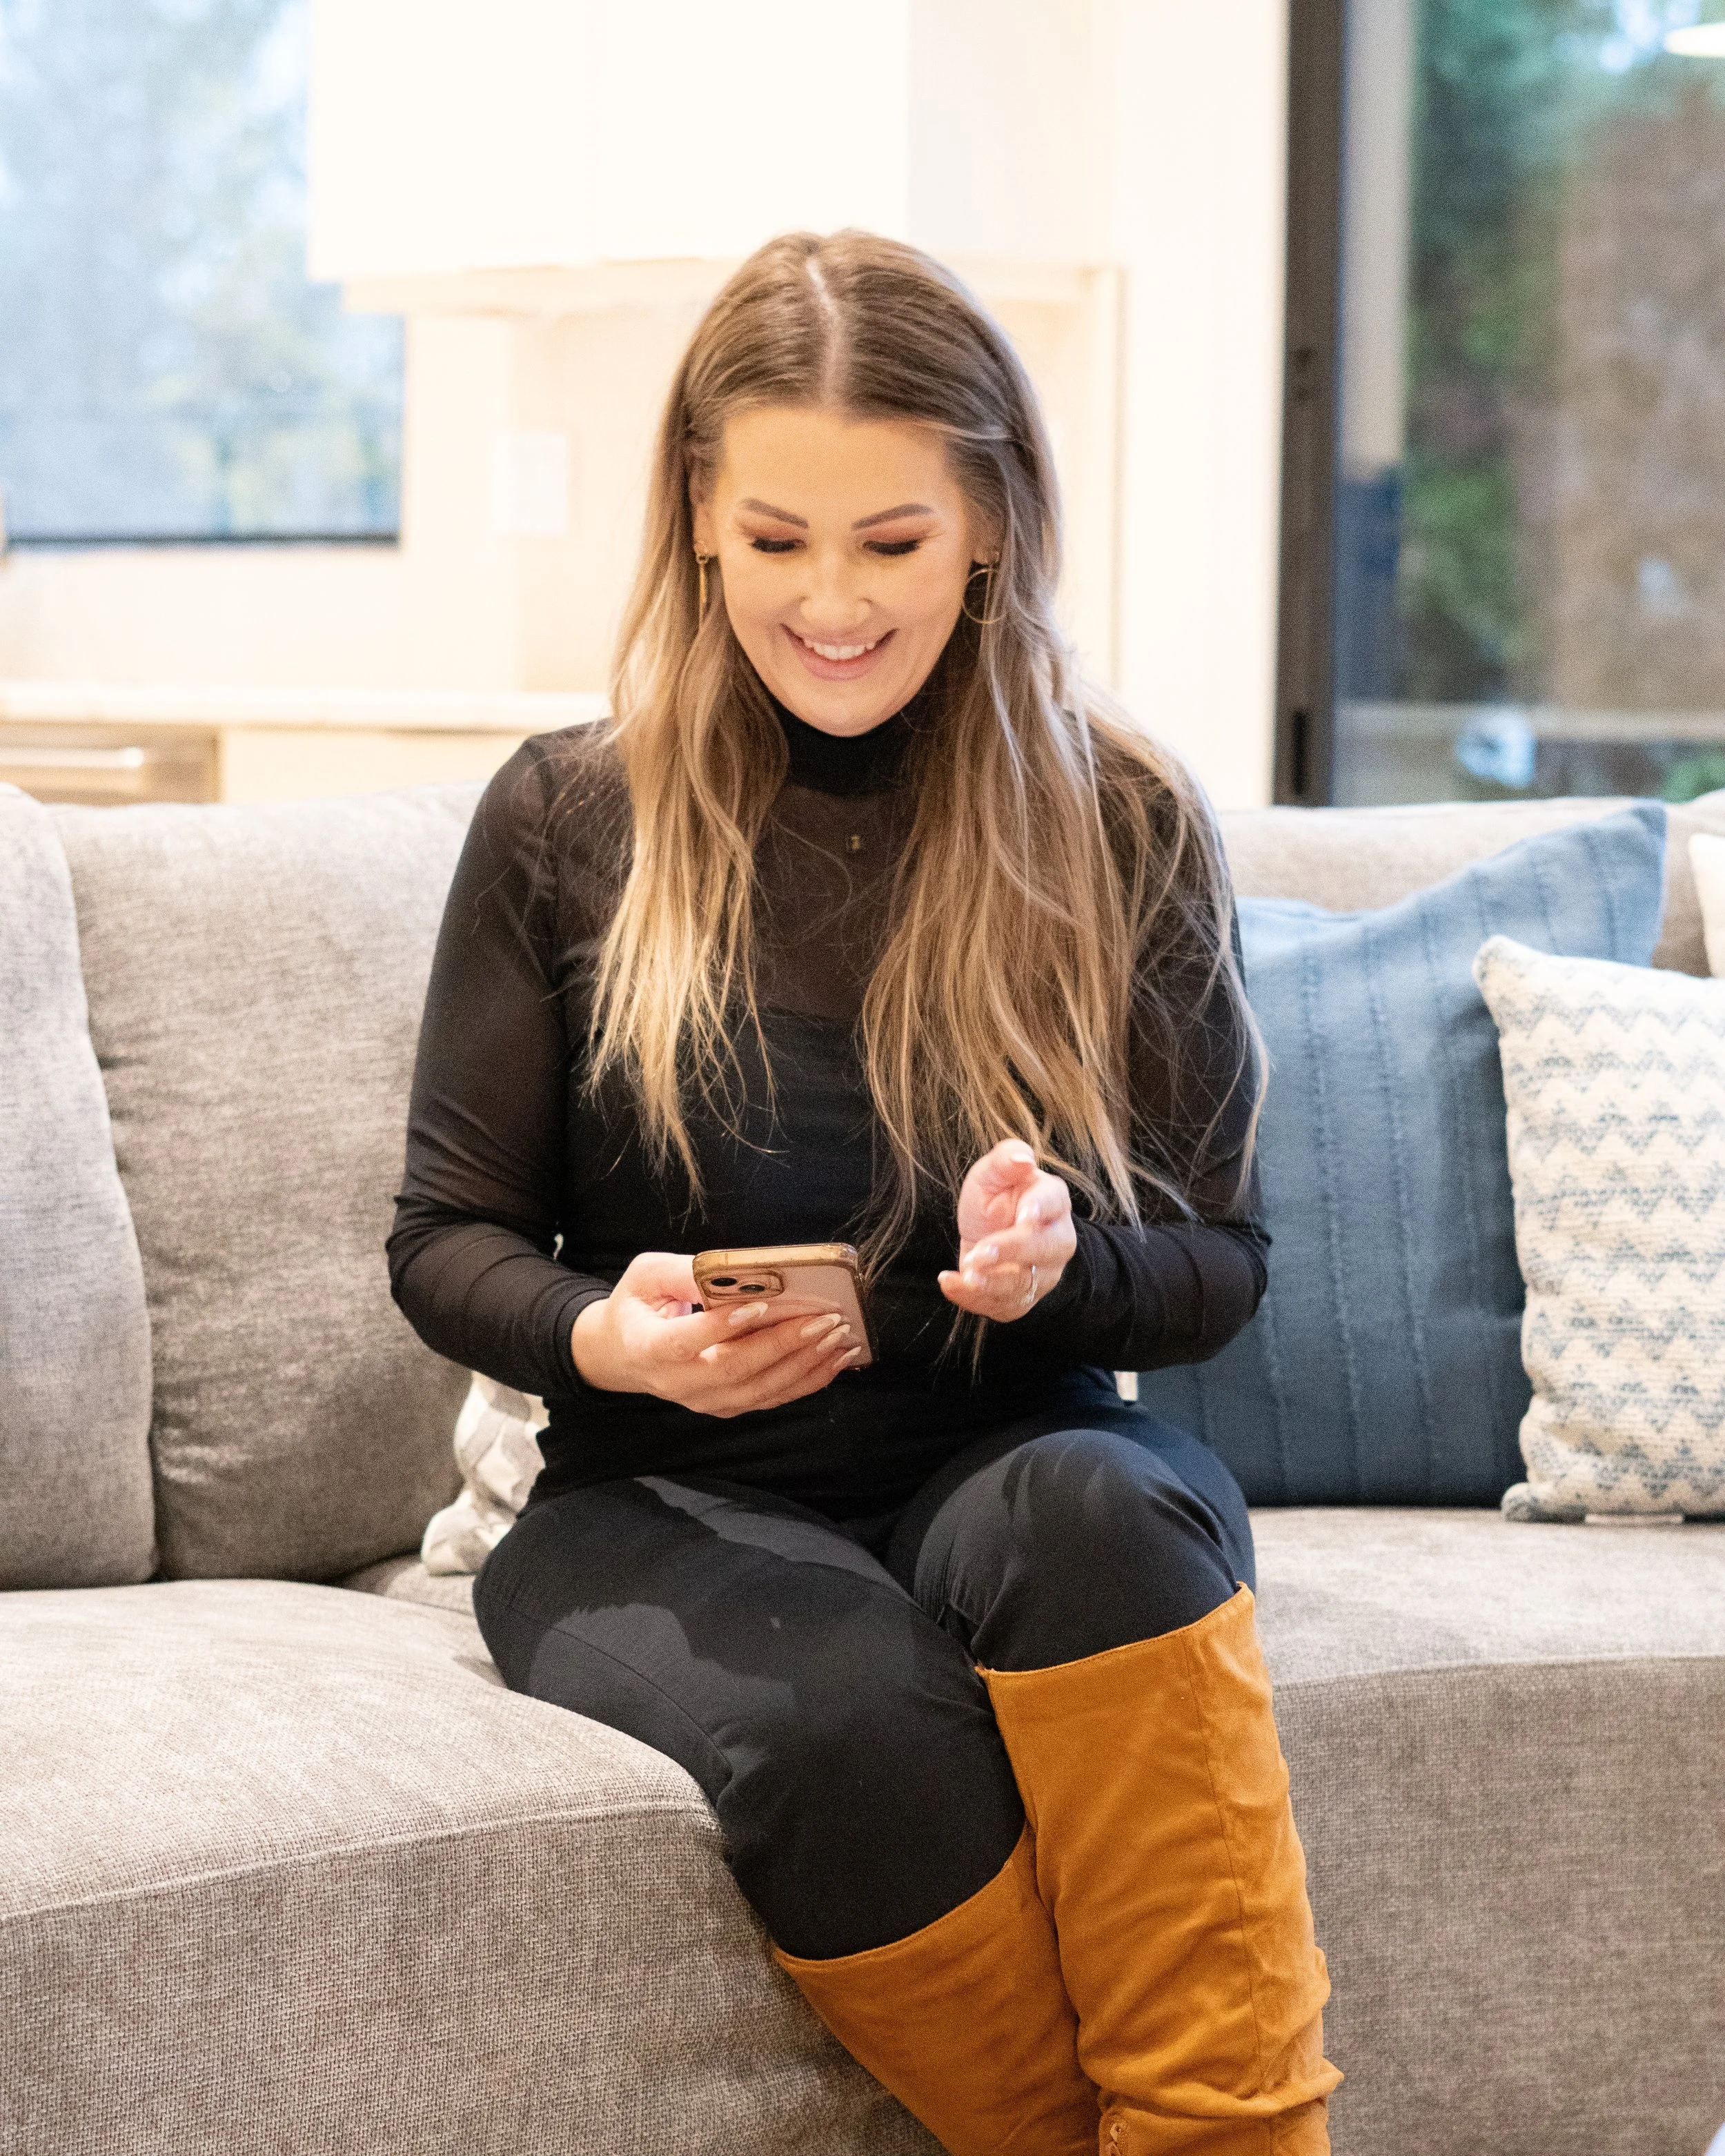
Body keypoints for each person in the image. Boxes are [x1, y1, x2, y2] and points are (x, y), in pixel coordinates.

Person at [388, 228, 1338, 2156]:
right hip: (649, 1497)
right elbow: (444, 1240)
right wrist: (602, 1330)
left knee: (1105, 1520)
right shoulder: (571, 817)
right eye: (776, 540)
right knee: (835, 1722)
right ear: (698, 521)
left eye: (891, 543)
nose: (830, 602)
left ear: (990, 521)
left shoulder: (1117, 819)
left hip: (1018, 1450)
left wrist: (1048, 1273)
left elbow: (1217, 1264)